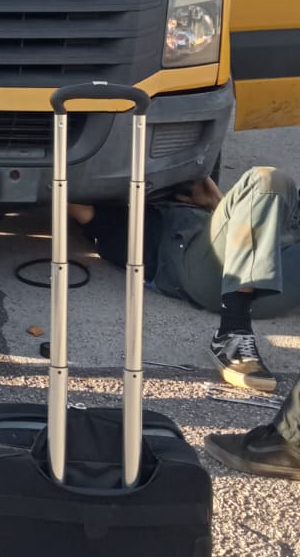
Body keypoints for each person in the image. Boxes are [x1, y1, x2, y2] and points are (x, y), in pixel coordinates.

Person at [69, 166, 300, 395]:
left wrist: (216, 203)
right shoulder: (122, 220)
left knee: (284, 197)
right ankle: (232, 334)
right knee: (267, 180)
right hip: (209, 276)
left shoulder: (193, 208)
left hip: (273, 280)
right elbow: (74, 204)